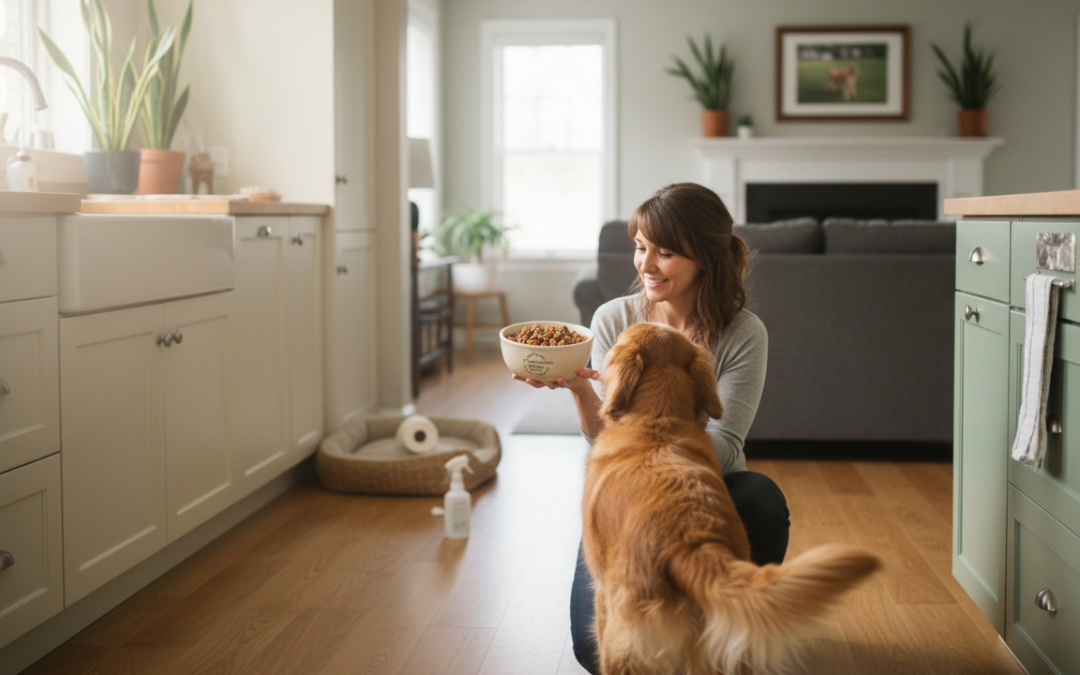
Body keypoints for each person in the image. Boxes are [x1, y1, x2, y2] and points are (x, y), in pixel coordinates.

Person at [512, 182, 790, 674]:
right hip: (629, 501)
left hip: (709, 490)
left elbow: (725, 444)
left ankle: (729, 630)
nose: (646, 264)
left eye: (665, 252)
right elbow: (605, 436)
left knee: (762, 497)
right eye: (641, 247)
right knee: (588, 648)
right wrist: (580, 390)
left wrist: (651, 441)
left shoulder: (744, 333)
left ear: (705, 256)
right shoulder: (612, 319)